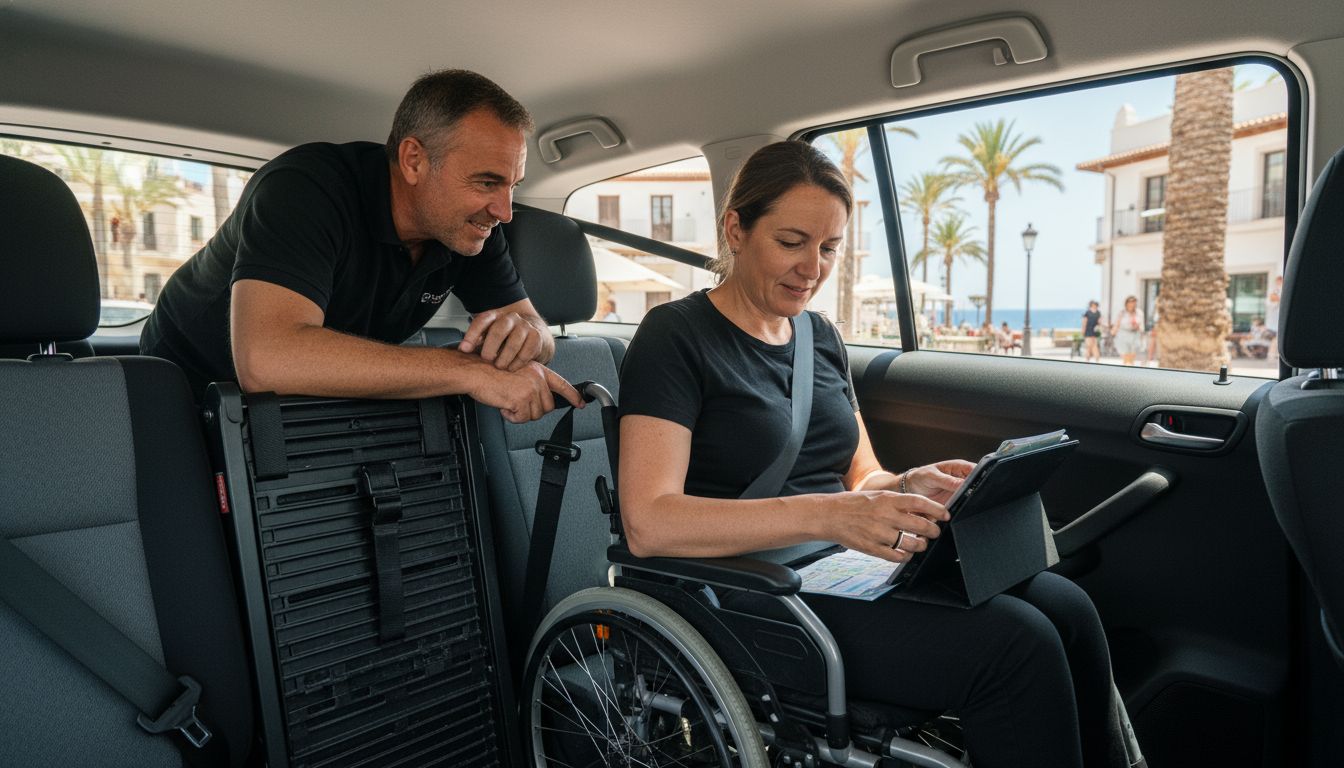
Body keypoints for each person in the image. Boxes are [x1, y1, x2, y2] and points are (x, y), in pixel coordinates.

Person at [618, 140, 1132, 768]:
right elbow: (650, 522)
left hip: (842, 568)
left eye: (829, 248)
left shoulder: (820, 336)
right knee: (1015, 645)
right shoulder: (674, 337)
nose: (813, 267)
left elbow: (861, 473)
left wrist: (905, 484)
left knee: (1067, 608)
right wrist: (830, 515)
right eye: (792, 241)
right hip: (742, 591)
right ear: (736, 228)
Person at [140, 69, 581, 423]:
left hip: (308, 402)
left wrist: (530, 338)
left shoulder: (471, 227)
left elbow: (528, 323)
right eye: (487, 181)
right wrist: (467, 371)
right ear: (414, 160)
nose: (504, 211)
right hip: (184, 386)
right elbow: (267, 359)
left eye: (512, 186)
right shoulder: (306, 189)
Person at [1110, 295, 1144, 366]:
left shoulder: (1139, 312)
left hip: (1135, 335)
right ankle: (1128, 371)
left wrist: (1141, 333)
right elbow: (1117, 323)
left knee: (1132, 357)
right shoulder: (1122, 312)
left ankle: (1130, 371)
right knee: (1126, 358)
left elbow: (1141, 325)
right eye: (1130, 302)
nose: (1132, 304)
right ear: (1126, 303)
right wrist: (1114, 331)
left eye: (1134, 302)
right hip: (1123, 335)